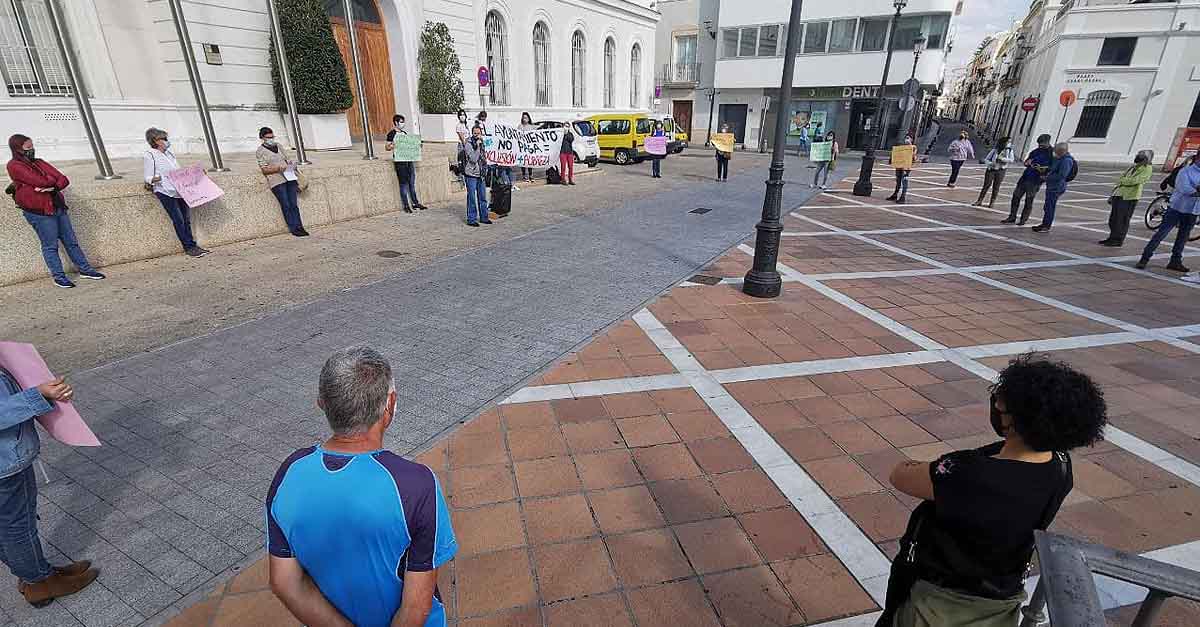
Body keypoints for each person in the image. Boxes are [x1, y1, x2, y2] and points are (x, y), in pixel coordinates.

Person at [879, 354, 1106, 627]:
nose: (997, 404)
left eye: (1002, 400)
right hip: (999, 600)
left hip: (942, 603)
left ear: (1019, 419)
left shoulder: (973, 475)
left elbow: (900, 475)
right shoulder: (1060, 466)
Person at [267, 346, 457, 627]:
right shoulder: (417, 485)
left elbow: (284, 583)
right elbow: (416, 606)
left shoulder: (288, 474)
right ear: (390, 404)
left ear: (322, 403)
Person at [1, 362, 100, 607]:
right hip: (6, 465)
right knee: (17, 527)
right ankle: (39, 582)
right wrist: (39, 395)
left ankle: (33, 572)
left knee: (8, 526)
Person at [6, 134, 105, 288]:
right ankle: (59, 277)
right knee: (50, 245)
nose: (32, 150)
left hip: (57, 206)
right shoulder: (14, 165)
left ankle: (85, 270)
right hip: (39, 211)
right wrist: (51, 181)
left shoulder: (39, 162)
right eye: (28, 147)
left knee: (71, 242)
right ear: (18, 149)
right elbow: (41, 181)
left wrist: (51, 186)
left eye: (32, 146)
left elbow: (63, 179)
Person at [144, 127, 209, 257]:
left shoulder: (169, 154)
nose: (166, 141)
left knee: (186, 219)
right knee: (178, 219)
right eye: (163, 138)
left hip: (178, 189)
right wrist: (162, 177)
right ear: (155, 140)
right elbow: (148, 177)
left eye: (166, 138)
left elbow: (178, 171)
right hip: (165, 191)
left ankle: (193, 245)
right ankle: (188, 247)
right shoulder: (150, 154)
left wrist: (196, 173)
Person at [1136, 154, 1200, 273]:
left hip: (1193, 211)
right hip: (1177, 208)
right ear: (1197, 158)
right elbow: (1184, 188)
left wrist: (1196, 189)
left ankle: (1175, 261)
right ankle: (1145, 258)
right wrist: (1196, 190)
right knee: (1161, 234)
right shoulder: (1186, 171)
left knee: (1183, 237)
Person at [256, 127, 309, 237]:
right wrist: (277, 169)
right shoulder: (260, 151)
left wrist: (291, 164)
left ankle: (300, 227)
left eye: (272, 137)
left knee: (294, 204)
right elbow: (264, 170)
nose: (271, 139)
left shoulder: (279, 146)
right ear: (262, 138)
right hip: (277, 181)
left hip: (289, 177)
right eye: (268, 137)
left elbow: (287, 158)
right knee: (286, 205)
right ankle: (293, 228)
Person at [1100, 150, 1154, 247]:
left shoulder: (1147, 168)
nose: (1137, 156)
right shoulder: (1133, 166)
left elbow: (1137, 180)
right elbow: (1122, 177)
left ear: (1146, 158)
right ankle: (1112, 237)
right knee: (1113, 219)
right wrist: (1116, 190)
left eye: (1141, 155)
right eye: (1138, 154)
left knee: (1122, 219)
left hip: (1130, 197)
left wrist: (1124, 181)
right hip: (1119, 194)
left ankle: (1118, 240)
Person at [1003, 134, 1053, 225]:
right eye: (1039, 144)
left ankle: (1023, 219)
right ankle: (1012, 216)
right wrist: (1027, 162)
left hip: (1036, 180)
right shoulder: (1035, 151)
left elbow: (1053, 167)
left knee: (1029, 200)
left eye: (1042, 144)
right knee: (1016, 197)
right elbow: (1027, 161)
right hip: (1025, 177)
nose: (1040, 146)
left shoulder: (1052, 153)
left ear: (1047, 142)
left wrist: (1043, 169)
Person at [385, 114, 427, 213]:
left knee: (411, 183)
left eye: (403, 122)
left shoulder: (404, 133)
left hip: (409, 161)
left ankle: (415, 203)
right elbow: (387, 147)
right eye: (401, 122)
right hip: (400, 162)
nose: (403, 124)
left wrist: (417, 145)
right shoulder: (391, 134)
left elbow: (410, 145)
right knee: (403, 184)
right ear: (396, 122)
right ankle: (406, 205)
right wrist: (393, 145)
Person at [1032, 142, 1075, 233]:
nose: (1055, 153)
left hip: (1056, 187)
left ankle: (1046, 226)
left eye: (1057, 151)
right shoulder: (1059, 158)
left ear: (1062, 151)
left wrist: (1047, 178)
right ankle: (1044, 223)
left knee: (1050, 207)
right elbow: (1053, 169)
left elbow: (1061, 176)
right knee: (1047, 206)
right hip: (1052, 186)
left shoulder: (1066, 161)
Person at [972, 137, 1015, 208]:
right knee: (986, 185)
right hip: (991, 169)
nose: (1009, 144)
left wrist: (1002, 159)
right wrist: (991, 163)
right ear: (1003, 143)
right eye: (1008, 142)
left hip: (1001, 170)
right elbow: (986, 159)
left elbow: (1011, 160)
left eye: (1010, 142)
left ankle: (992, 202)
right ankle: (979, 200)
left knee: (996, 186)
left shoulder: (1009, 151)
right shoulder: (995, 150)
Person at [462, 125, 491, 227]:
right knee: (472, 197)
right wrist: (478, 147)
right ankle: (471, 219)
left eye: (478, 133)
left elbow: (484, 158)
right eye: (475, 133)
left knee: (482, 197)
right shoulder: (468, 143)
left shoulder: (483, 142)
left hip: (481, 174)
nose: (477, 135)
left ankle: (484, 217)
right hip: (471, 174)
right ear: (472, 133)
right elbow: (473, 158)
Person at [886, 135, 915, 204]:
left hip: (906, 167)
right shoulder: (901, 147)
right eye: (906, 138)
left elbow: (913, 158)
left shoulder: (912, 148)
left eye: (908, 138)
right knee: (898, 180)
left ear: (911, 139)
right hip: (899, 166)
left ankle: (903, 197)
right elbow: (896, 154)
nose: (907, 139)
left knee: (904, 182)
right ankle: (895, 194)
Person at [518, 112, 537, 183]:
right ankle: (524, 176)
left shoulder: (531, 127)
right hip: (522, 147)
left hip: (530, 147)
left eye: (526, 117)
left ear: (528, 119)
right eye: (523, 118)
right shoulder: (520, 126)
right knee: (523, 161)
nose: (524, 119)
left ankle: (530, 175)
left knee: (530, 161)